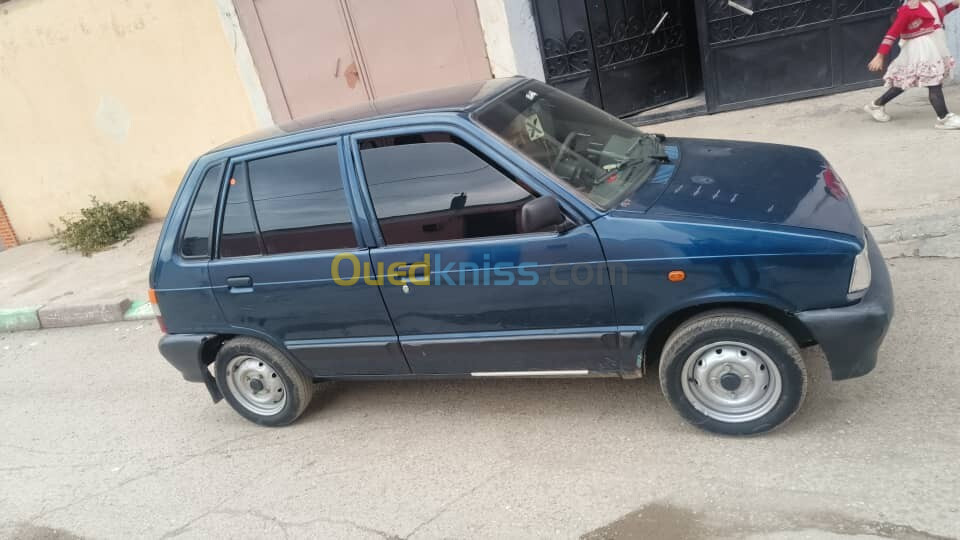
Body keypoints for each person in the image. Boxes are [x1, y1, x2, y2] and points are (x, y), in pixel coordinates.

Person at [864, 0, 960, 130]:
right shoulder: (908, 9)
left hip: (934, 44)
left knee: (905, 81)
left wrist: (953, 5)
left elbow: (936, 15)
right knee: (934, 82)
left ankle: (876, 105)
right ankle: (943, 118)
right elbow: (893, 32)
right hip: (919, 49)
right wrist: (880, 55)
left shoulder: (931, 3)